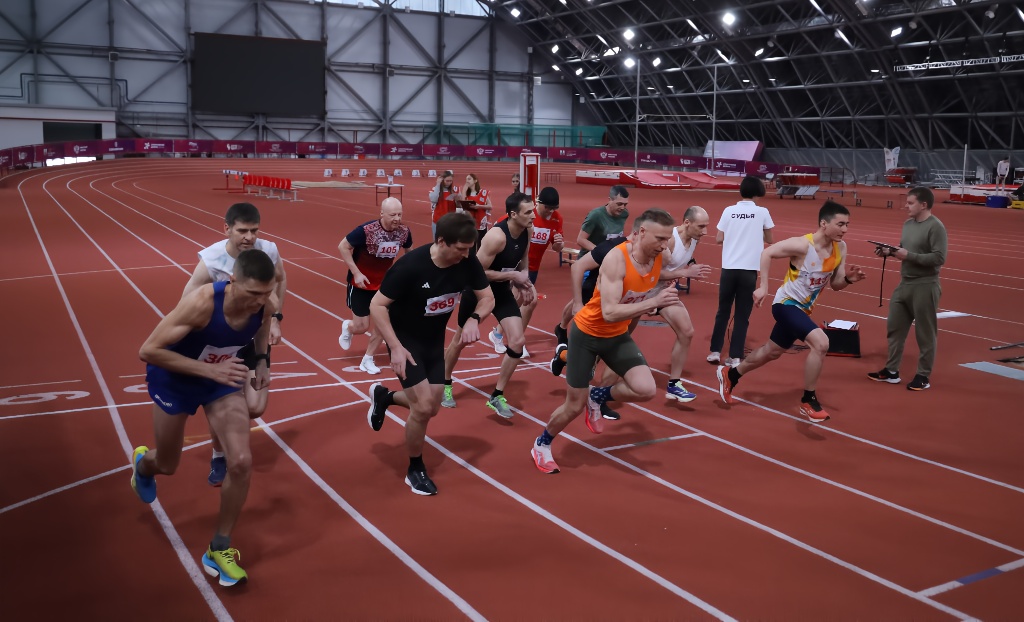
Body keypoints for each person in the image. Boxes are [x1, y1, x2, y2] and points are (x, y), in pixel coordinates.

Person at [133, 248, 277, 587]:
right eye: (253, 293)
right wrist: (210, 370)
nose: (259, 301)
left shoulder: (265, 305)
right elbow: (148, 350)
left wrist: (261, 362)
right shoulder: (202, 303)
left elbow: (262, 330)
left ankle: (219, 548)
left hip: (220, 380)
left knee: (240, 462)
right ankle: (143, 465)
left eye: (266, 293)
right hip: (175, 378)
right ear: (232, 281)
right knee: (168, 463)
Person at [532, 209, 683, 474]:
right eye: (660, 238)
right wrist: (653, 302)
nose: (664, 245)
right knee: (573, 406)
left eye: (667, 239)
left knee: (646, 389)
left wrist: (661, 291)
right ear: (641, 232)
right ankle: (541, 443)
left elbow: (651, 281)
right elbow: (610, 312)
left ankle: (597, 395)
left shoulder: (660, 256)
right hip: (587, 335)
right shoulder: (616, 259)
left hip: (616, 335)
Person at [366, 212, 494, 495]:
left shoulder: (467, 261)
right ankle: (415, 469)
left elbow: (488, 298)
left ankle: (385, 398)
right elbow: (377, 305)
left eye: (469, 249)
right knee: (423, 408)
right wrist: (394, 347)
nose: (466, 255)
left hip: (434, 341)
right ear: (442, 241)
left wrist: (474, 319)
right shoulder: (410, 266)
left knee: (432, 407)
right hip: (405, 341)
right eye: (460, 249)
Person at [716, 201, 867, 423]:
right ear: (824, 224)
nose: (845, 229)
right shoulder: (802, 245)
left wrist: (849, 280)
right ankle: (808, 400)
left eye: (847, 224)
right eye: (840, 224)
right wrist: (764, 286)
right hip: (785, 305)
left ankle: (731, 374)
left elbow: (836, 284)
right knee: (821, 343)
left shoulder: (840, 248)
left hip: (802, 310)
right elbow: (767, 253)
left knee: (771, 352)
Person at [182, 202, 287, 487]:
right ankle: (219, 454)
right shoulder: (211, 259)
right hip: (220, 343)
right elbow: (187, 298)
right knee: (223, 401)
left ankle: (229, 427)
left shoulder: (269, 250)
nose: (249, 237)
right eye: (242, 231)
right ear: (227, 228)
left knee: (255, 406)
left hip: (254, 337)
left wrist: (275, 317)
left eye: (254, 230)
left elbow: (280, 278)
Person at [443, 193, 536, 416]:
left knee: (517, 341)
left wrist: (525, 283)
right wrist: (512, 276)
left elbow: (523, 261)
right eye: (528, 212)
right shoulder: (496, 237)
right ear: (513, 214)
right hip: (478, 291)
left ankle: (497, 395)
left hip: (501, 291)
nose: (533, 216)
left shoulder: (527, 230)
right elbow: (476, 273)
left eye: (533, 210)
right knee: (460, 341)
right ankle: (444, 383)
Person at [867, 187, 947, 391]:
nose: (906, 206)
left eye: (911, 203)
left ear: (924, 205)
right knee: (894, 328)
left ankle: (923, 375)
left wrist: (908, 255)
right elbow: (905, 250)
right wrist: (890, 252)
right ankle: (891, 371)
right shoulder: (908, 224)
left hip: (925, 285)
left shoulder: (936, 227)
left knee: (925, 333)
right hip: (905, 283)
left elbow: (939, 258)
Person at [338, 197, 413, 374]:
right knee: (361, 327)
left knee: (383, 323)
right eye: (392, 215)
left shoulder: (404, 232)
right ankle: (348, 327)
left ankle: (368, 359)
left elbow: (409, 253)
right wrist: (356, 272)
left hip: (384, 285)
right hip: (361, 284)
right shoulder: (366, 231)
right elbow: (343, 246)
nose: (397, 219)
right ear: (382, 214)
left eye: (399, 214)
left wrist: (404, 275)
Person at [708, 176, 774, 367]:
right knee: (742, 315)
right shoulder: (762, 212)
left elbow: (718, 238)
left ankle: (715, 351)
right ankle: (735, 356)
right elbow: (770, 239)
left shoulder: (729, 210)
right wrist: (754, 233)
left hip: (728, 269)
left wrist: (735, 234)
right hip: (749, 270)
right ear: (758, 193)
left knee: (723, 311)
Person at [488, 186, 563, 353]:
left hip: (531, 268)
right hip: (514, 265)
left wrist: (559, 244)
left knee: (518, 301)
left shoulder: (557, 219)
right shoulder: (525, 214)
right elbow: (501, 226)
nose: (550, 211)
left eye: (554, 208)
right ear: (538, 203)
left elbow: (557, 247)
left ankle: (497, 334)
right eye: (547, 207)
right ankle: (516, 342)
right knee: (530, 301)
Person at [552, 185, 631, 343]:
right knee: (582, 299)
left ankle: (599, 333)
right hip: (589, 263)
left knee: (603, 298)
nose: (622, 208)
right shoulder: (596, 216)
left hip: (608, 264)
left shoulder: (624, 215)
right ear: (609, 200)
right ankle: (562, 328)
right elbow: (581, 240)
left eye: (625, 204)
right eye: (619, 204)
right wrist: (601, 252)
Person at [656, 206, 713, 402]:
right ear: (687, 223)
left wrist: (688, 268)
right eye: (701, 226)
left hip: (665, 292)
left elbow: (677, 265)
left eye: (706, 226)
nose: (705, 231)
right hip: (643, 291)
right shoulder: (669, 240)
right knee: (620, 334)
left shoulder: (695, 238)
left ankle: (674, 385)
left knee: (686, 332)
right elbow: (652, 273)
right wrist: (685, 273)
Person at [461, 173, 493, 246]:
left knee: (481, 244)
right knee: (470, 245)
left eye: (469, 179)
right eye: (466, 179)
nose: (467, 181)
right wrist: (463, 192)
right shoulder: (466, 193)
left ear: (475, 181)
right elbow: (463, 206)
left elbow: (490, 206)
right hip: (470, 222)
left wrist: (479, 206)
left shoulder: (483, 193)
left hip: (481, 222)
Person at [428, 170, 460, 240]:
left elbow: (459, 206)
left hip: (451, 221)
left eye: (451, 181)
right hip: (438, 221)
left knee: (450, 242)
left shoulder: (455, 190)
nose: (449, 183)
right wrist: (438, 184)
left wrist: (458, 200)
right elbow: (433, 199)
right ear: (442, 180)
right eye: (447, 181)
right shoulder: (435, 189)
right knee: (438, 242)